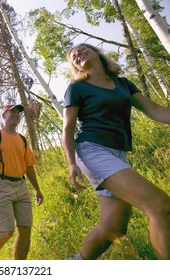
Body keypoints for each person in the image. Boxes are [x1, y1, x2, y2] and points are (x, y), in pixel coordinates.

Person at [62, 43, 170, 260]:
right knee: (160, 206)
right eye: (73, 55)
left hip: (118, 154)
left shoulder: (122, 84)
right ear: (75, 67)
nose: (77, 53)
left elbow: (154, 110)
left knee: (114, 229)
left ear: (97, 53)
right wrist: (71, 163)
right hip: (92, 151)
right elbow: (68, 128)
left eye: (83, 49)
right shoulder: (76, 88)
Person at [0, 104, 44, 260]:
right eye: (12, 112)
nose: (16, 114)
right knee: (6, 231)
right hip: (0, 186)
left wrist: (37, 189)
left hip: (21, 186)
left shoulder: (22, 139)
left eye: (18, 113)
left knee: (25, 230)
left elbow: (29, 166)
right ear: (4, 115)